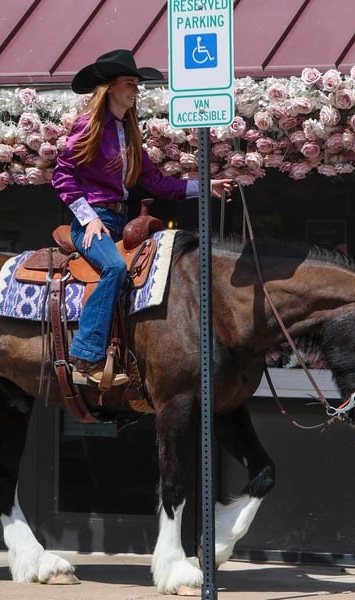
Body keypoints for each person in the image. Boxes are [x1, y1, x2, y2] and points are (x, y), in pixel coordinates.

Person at [52, 49, 234, 387]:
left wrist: (204, 186)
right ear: (110, 87)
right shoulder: (89, 126)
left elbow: (156, 182)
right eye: (129, 83)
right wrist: (88, 218)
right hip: (93, 222)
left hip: (121, 221)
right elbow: (61, 175)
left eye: (137, 84)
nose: (136, 90)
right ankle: (85, 357)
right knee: (114, 267)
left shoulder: (130, 132)